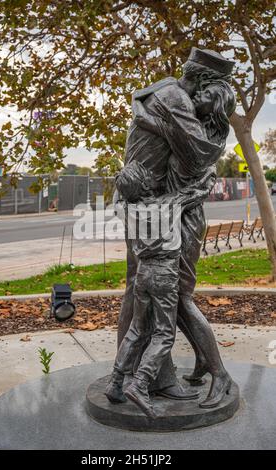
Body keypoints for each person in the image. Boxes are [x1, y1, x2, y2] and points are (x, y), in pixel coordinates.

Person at [117, 47, 237, 408]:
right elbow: (199, 156)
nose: (200, 102)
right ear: (203, 80)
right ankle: (148, 377)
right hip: (158, 212)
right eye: (206, 92)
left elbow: (198, 161)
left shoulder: (163, 92)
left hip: (161, 211)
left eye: (206, 103)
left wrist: (154, 124)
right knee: (157, 292)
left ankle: (144, 377)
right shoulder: (175, 100)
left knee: (158, 292)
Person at [106, 160, 211, 417]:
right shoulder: (168, 203)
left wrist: (123, 181)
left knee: (137, 329)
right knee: (164, 333)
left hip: (142, 275)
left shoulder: (125, 208)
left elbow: (117, 196)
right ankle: (140, 384)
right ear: (145, 184)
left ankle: (116, 382)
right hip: (165, 275)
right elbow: (197, 192)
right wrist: (207, 175)